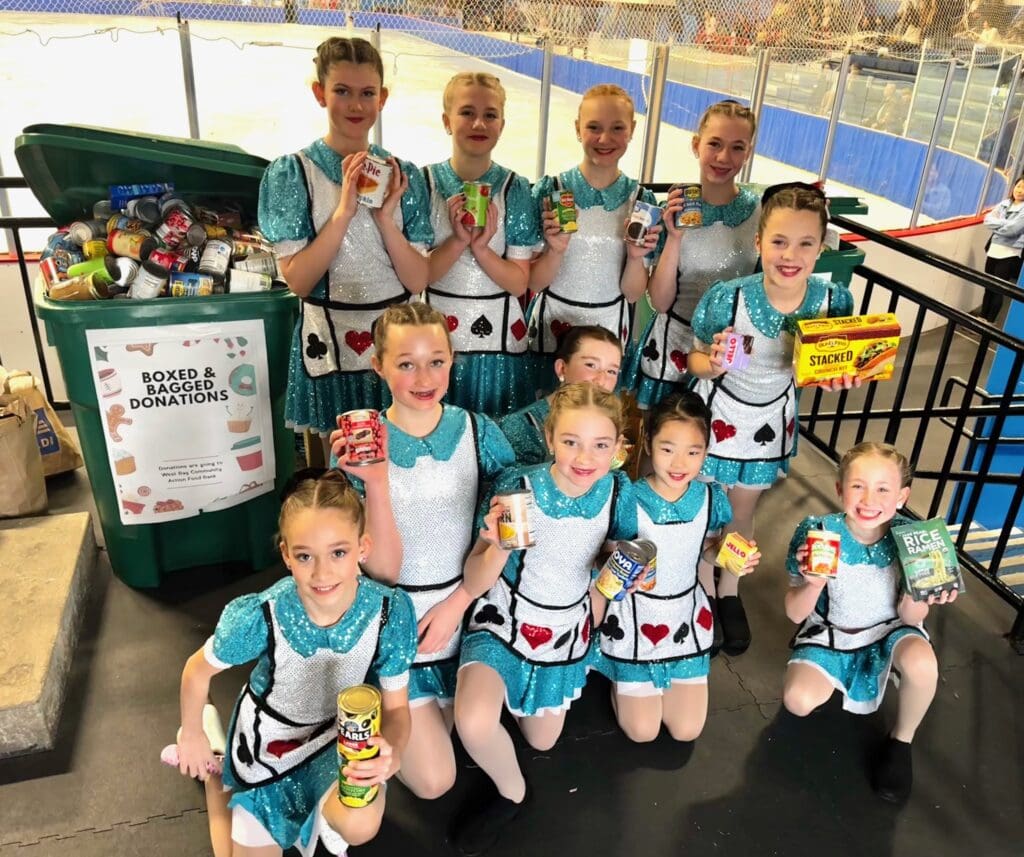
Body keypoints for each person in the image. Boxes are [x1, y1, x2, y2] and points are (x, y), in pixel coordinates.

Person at [175, 470, 417, 857]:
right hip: (268, 747)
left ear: (363, 547)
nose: (322, 573)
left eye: (338, 552)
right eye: (305, 556)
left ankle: (326, 811)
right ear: (287, 554)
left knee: (361, 822)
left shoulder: (389, 612)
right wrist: (191, 734)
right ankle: (218, 774)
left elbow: (398, 708)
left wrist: (394, 751)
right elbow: (196, 669)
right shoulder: (262, 614)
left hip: (338, 739)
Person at [329, 301, 515, 801]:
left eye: (436, 360)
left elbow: (506, 535)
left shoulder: (480, 433)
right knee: (436, 782)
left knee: (476, 730)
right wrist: (372, 479)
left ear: (453, 359)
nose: (423, 376)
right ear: (379, 366)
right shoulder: (357, 449)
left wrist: (457, 605)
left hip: (467, 615)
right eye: (405, 363)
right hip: (395, 622)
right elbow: (380, 571)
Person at [449, 382, 637, 855]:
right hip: (502, 620)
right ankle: (511, 793)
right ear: (550, 438)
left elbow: (614, 565)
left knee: (543, 739)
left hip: (564, 633)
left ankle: (512, 699)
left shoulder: (618, 492)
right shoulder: (519, 485)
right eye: (571, 441)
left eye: (600, 444)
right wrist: (493, 544)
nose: (584, 457)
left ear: (617, 447)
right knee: (473, 723)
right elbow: (475, 574)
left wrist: (625, 575)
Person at [688, 183, 855, 656]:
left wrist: (834, 379)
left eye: (806, 243)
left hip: (769, 418)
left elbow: (821, 367)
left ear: (821, 248)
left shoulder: (832, 301)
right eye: (779, 241)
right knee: (709, 510)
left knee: (743, 511)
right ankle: (700, 590)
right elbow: (695, 359)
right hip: (717, 411)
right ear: (759, 243)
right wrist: (713, 362)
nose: (791, 254)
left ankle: (729, 592)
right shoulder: (728, 298)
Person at [258, 37, 432, 448]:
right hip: (328, 343)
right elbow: (299, 281)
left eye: (367, 93)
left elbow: (418, 278)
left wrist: (385, 219)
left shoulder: (402, 175)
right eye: (342, 91)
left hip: (395, 342)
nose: (356, 105)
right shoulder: (293, 173)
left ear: (382, 98)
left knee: (397, 458)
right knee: (335, 468)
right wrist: (343, 213)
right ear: (320, 93)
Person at [782, 442, 956, 802]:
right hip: (832, 631)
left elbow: (912, 618)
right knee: (798, 700)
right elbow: (795, 613)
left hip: (892, 629)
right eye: (858, 486)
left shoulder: (914, 540)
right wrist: (813, 584)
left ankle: (902, 741)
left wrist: (917, 595)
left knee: (923, 664)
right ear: (839, 489)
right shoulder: (818, 531)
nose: (868, 499)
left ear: (902, 496)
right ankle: (830, 675)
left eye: (883, 489)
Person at [596, 391, 758, 747]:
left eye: (693, 451)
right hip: (634, 617)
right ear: (650, 444)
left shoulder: (710, 497)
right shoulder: (626, 497)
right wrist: (617, 571)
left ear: (706, 451)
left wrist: (732, 559)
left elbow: (707, 550)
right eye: (668, 448)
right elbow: (603, 558)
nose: (680, 462)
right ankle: (618, 680)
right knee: (642, 731)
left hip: (685, 616)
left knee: (687, 730)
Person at [423, 72, 542, 417]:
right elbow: (420, 276)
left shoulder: (515, 190)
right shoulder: (424, 183)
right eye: (466, 112)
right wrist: (458, 242)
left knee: (497, 436)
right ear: (447, 121)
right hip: (437, 340)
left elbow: (519, 282)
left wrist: (481, 249)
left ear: (502, 125)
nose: (479, 122)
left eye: (490, 114)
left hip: (499, 348)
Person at [631, 100, 761, 408]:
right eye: (714, 143)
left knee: (726, 443)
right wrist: (674, 238)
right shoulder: (673, 212)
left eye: (737, 147)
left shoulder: (760, 212)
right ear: (696, 144)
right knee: (661, 447)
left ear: (749, 152)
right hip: (675, 341)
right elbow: (660, 303)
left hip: (733, 346)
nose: (723, 157)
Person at [526, 84, 658, 378]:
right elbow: (534, 282)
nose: (604, 138)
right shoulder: (552, 191)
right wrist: (556, 250)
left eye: (617, 128)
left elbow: (633, 293)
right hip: (553, 327)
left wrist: (636, 258)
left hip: (609, 330)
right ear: (577, 128)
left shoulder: (641, 201)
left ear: (632, 129)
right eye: (594, 127)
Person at [499, 325, 622, 464]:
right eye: (591, 365)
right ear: (562, 368)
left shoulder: (608, 423)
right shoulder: (521, 425)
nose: (601, 380)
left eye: (611, 371)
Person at [981, 174, 1024, 321]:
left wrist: (998, 224)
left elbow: (1013, 230)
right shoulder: (1005, 203)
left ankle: (990, 321)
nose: (1019, 190)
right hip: (994, 249)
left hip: (1009, 253)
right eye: (1018, 186)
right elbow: (987, 220)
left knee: (998, 289)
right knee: (988, 286)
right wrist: (1004, 224)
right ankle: (982, 318)